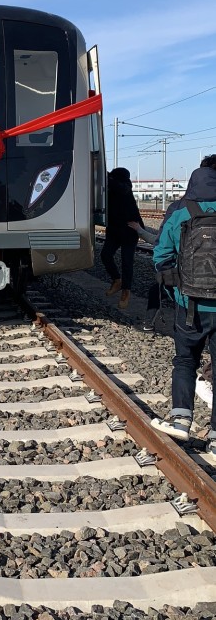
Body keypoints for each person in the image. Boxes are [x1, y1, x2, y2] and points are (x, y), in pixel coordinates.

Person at [149, 155, 216, 458]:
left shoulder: (180, 211)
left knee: (186, 360)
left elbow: (161, 254)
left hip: (188, 305)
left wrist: (175, 282)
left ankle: (180, 419)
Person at [101, 167, 144, 309]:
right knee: (105, 255)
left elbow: (121, 188)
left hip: (130, 229)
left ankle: (126, 292)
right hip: (114, 229)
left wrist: (106, 176)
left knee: (127, 262)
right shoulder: (109, 188)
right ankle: (116, 280)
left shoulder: (124, 187)